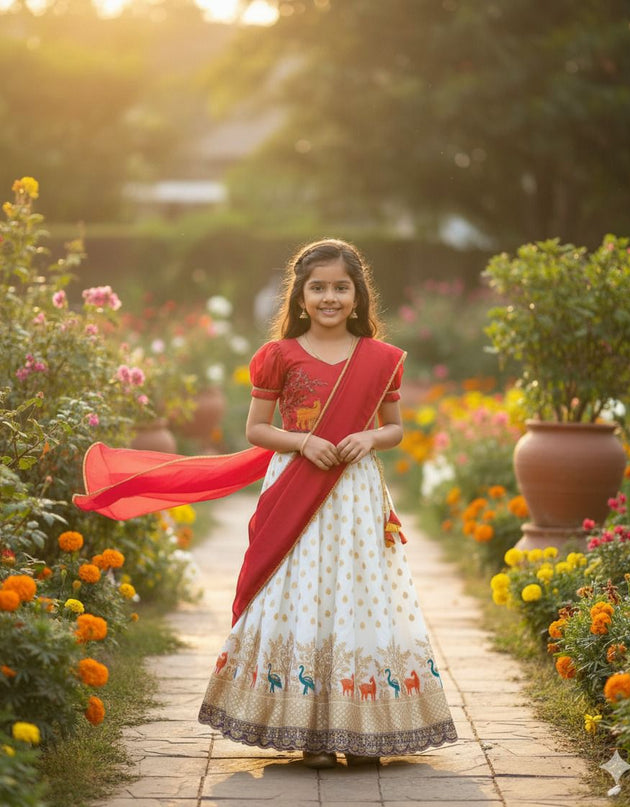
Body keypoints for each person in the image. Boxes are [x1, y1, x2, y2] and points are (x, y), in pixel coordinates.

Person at [73, 238, 457, 769]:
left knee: (356, 590)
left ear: (358, 294)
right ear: (300, 297)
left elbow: (393, 430)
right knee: (300, 589)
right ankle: (313, 733)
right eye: (317, 287)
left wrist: (367, 440)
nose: (329, 297)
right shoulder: (280, 356)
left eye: (340, 287)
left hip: (354, 492)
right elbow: (255, 429)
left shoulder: (381, 360)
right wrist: (303, 441)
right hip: (296, 481)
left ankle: (364, 727)